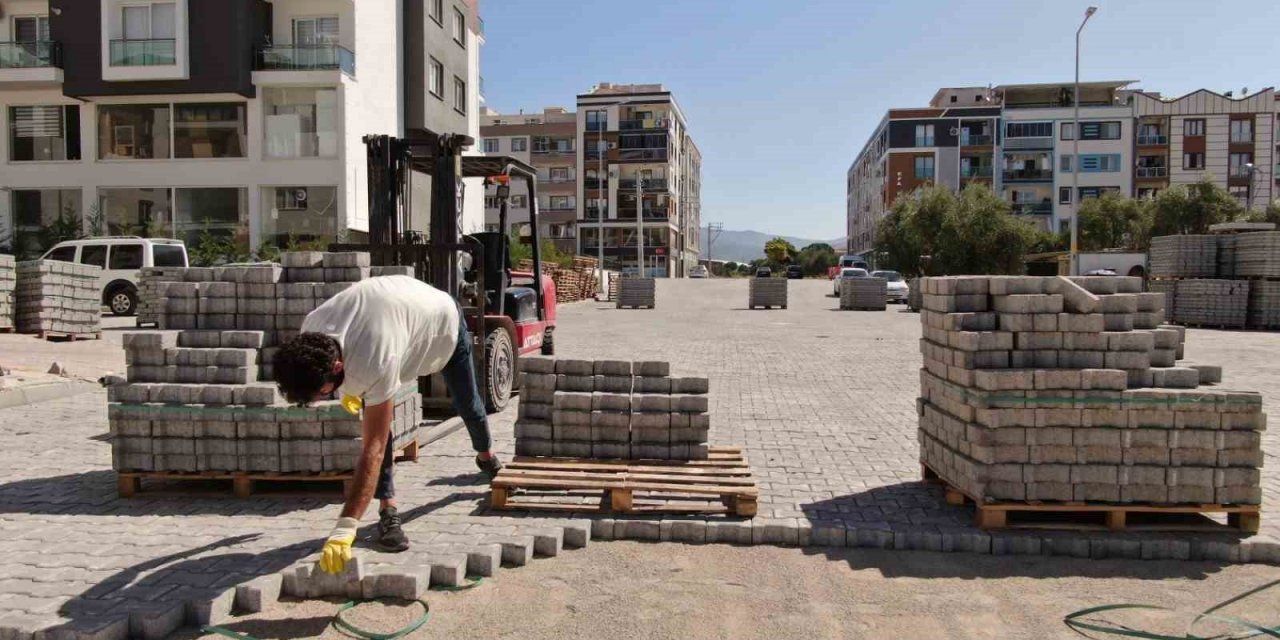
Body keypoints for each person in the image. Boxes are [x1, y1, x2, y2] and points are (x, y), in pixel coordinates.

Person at [272, 275, 503, 575]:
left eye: (323, 393)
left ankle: (486, 456)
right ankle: (388, 509)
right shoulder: (312, 329)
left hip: (443, 325)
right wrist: (348, 390)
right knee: (379, 417)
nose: (321, 399)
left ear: (337, 367)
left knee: (466, 403)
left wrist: (346, 526)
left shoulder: (375, 357)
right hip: (399, 316)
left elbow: (375, 448)